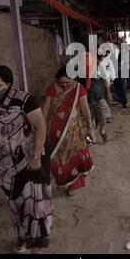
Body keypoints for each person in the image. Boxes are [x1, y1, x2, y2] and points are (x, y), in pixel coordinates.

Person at [0, 65, 52, 253]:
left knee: (35, 206)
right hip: (5, 168)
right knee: (16, 205)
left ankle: (36, 245)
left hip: (31, 162)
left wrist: (35, 156)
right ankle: (22, 236)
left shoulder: (24, 101)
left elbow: (40, 127)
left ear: (8, 84)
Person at [42, 66, 95, 196]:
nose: (64, 85)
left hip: (72, 131)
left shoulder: (78, 89)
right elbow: (46, 108)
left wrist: (90, 128)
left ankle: (74, 184)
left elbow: (85, 109)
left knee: (74, 157)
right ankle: (56, 181)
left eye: (67, 82)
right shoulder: (52, 88)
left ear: (74, 78)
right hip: (53, 130)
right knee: (54, 158)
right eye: (61, 83)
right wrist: (41, 126)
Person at [88, 55, 112, 142]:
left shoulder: (99, 69)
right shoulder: (81, 71)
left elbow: (105, 80)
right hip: (87, 98)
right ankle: (93, 135)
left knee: (103, 115)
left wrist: (108, 92)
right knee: (90, 117)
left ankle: (102, 130)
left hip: (99, 96)